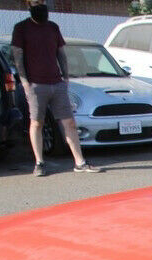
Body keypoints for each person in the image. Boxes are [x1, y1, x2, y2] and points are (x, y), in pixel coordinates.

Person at [11, 0, 99, 176]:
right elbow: (17, 56)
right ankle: (39, 163)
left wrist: (65, 77)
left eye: (42, 2)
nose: (40, 6)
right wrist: (25, 82)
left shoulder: (53, 27)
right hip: (36, 84)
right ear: (29, 5)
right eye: (36, 2)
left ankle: (80, 162)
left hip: (57, 83)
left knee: (69, 122)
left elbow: (61, 53)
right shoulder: (21, 28)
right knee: (37, 122)